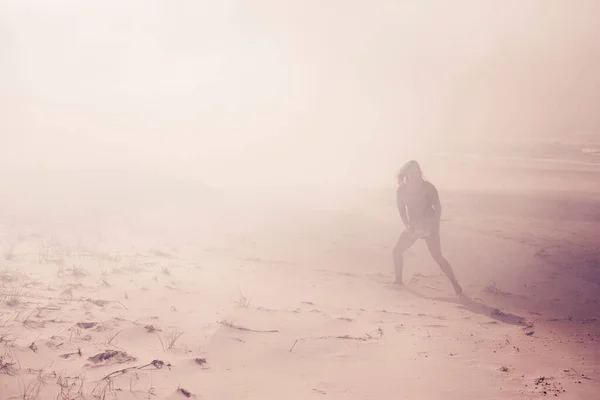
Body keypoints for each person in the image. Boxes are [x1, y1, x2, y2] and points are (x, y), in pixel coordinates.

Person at [393, 160, 463, 295]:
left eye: (417, 171)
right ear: (406, 173)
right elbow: (401, 210)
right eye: (412, 171)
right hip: (413, 226)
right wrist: (408, 225)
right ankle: (398, 281)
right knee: (397, 251)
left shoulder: (428, 187)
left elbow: (437, 207)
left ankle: (455, 284)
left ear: (420, 172)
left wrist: (434, 225)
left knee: (437, 256)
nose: (415, 173)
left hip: (430, 226)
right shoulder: (401, 190)